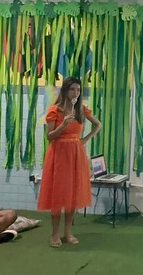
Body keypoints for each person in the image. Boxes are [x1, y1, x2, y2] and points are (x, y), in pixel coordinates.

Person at [37, 77, 101, 248]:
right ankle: (55, 234)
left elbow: (98, 124)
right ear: (65, 90)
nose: (76, 93)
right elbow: (50, 136)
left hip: (76, 154)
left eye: (78, 90)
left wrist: (84, 140)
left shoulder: (81, 110)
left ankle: (67, 232)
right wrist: (63, 124)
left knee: (72, 194)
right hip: (58, 155)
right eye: (72, 89)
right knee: (58, 193)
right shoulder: (54, 110)